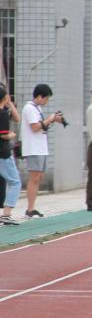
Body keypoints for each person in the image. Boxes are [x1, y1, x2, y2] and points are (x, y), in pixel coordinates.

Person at [20, 84, 62, 218]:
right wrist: (50, 119)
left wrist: (53, 120)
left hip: (40, 147)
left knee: (38, 178)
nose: (47, 101)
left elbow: (42, 126)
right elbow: (35, 127)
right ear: (39, 96)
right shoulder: (29, 108)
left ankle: (32, 208)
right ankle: (29, 209)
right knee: (34, 177)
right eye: (46, 98)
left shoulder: (37, 108)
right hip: (33, 148)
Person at [0, 87, 21, 224]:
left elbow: (17, 118)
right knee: (15, 182)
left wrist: (10, 105)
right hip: (3, 153)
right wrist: (11, 135)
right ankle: (7, 213)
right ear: (5, 98)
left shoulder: (4, 112)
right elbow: (3, 134)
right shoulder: (2, 114)